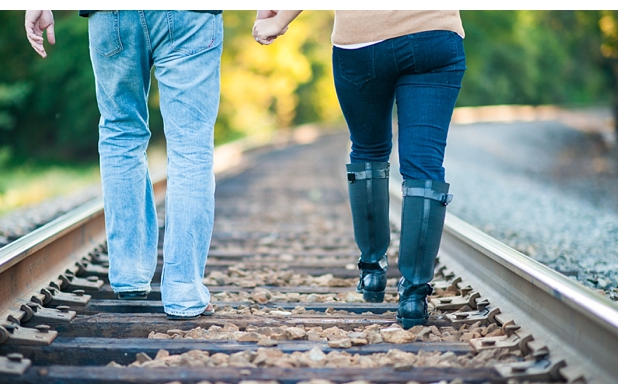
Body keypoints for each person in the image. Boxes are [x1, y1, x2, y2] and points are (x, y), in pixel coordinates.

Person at [253, 10, 466, 328]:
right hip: (434, 35)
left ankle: (371, 272)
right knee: (424, 164)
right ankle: (413, 295)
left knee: (368, 150)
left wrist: (279, 17)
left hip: (362, 40)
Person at [25, 10, 223, 320]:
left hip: (112, 14)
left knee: (121, 132)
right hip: (191, 15)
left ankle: (130, 274)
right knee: (191, 145)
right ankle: (184, 292)